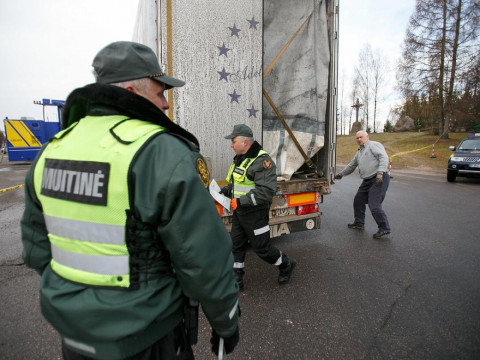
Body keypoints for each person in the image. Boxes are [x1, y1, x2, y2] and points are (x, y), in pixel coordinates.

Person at [21, 41, 239, 360]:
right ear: (131, 92)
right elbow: (204, 261)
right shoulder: (160, 153)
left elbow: (37, 247)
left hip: (74, 337)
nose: (165, 104)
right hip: (147, 339)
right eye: (160, 92)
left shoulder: (51, 150)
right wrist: (226, 323)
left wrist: (80, 301)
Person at [221, 124, 296, 291]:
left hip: (255, 214)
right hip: (240, 213)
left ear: (245, 141)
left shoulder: (263, 161)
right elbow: (235, 186)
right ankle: (237, 279)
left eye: (233, 141)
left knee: (262, 249)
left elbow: (266, 191)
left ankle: (286, 264)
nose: (231, 145)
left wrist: (240, 202)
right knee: (236, 245)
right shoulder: (240, 159)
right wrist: (220, 192)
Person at [334, 130, 391, 239]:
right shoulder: (359, 152)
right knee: (358, 200)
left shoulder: (373, 145)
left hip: (379, 178)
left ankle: (384, 228)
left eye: (361, 137)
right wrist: (341, 174)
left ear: (367, 137)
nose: (359, 139)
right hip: (367, 180)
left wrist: (380, 172)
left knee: (374, 205)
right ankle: (359, 224)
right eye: (357, 138)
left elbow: (383, 157)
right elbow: (352, 165)